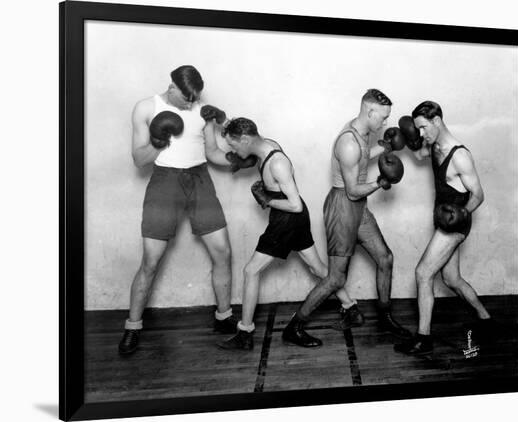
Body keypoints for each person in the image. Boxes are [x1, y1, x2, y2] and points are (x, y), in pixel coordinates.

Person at [118, 65, 255, 355]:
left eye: (196, 98)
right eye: (187, 98)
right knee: (150, 261)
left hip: (199, 180)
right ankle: (132, 326)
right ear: (172, 88)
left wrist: (236, 160)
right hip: (164, 182)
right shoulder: (146, 108)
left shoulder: (202, 111)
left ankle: (223, 316)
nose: (192, 103)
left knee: (223, 252)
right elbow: (139, 159)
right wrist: (159, 141)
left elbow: (213, 152)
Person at [282, 89, 411, 348]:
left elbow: (364, 157)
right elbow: (352, 190)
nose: (385, 123)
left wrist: (384, 147)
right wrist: (381, 181)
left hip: (358, 208)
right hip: (343, 207)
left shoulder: (362, 133)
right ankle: (293, 327)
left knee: (385, 258)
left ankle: (384, 317)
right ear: (369, 111)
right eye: (383, 117)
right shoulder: (349, 142)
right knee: (336, 279)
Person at [216, 117, 333, 350]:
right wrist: (220, 122)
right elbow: (244, 146)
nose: (234, 151)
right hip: (293, 219)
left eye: (235, 145)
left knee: (251, 270)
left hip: (288, 218)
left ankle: (245, 334)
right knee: (318, 269)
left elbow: (295, 204)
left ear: (247, 139)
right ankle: (351, 307)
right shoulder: (266, 145)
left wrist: (268, 200)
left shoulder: (277, 163)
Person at [394, 101, 493, 355]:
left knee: (423, 273)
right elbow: (419, 155)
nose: (422, 133)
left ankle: (423, 338)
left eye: (424, 128)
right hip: (442, 217)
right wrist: (406, 138)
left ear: (437, 120)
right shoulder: (433, 143)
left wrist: (461, 213)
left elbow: (478, 195)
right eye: (419, 129)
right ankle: (485, 319)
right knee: (452, 279)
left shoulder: (460, 155)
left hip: (455, 221)